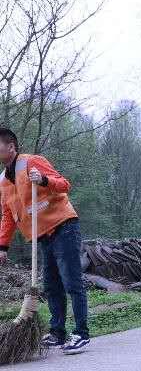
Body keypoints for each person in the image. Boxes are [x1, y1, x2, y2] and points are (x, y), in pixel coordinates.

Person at [0, 128, 91, 354]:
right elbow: (8, 215)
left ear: (11, 146)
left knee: (72, 281)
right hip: (42, 235)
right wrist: (2, 246)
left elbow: (64, 184)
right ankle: (58, 332)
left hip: (63, 227)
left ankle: (81, 333)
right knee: (51, 286)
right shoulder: (2, 180)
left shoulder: (32, 162)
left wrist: (43, 180)